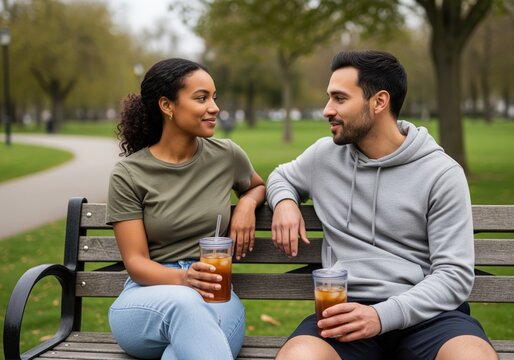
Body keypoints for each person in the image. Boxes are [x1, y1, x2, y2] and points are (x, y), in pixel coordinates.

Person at [266, 50, 497, 360]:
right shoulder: (324, 156)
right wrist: (284, 201)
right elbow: (281, 176)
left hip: (428, 315)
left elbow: (453, 276)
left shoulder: (441, 173)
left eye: (339, 99)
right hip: (344, 311)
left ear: (379, 102)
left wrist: (381, 317)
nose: (326, 110)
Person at [106, 58, 266, 359]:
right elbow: (136, 262)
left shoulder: (227, 156)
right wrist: (185, 280)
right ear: (167, 106)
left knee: (179, 353)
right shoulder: (128, 174)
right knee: (186, 304)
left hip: (217, 293)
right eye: (201, 98)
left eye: (214, 98)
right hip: (148, 297)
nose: (214, 107)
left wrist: (246, 202)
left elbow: (257, 185)